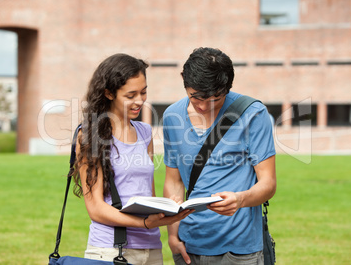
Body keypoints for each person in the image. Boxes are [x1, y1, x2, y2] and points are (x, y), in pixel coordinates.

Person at [72, 53, 192, 265]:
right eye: (130, 95)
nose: (140, 101)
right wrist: (144, 223)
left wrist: (166, 209)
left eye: (143, 92)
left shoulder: (145, 132)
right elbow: (96, 208)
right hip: (111, 250)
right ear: (109, 93)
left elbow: (147, 195)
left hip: (152, 249)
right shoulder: (90, 135)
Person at [163, 47, 277, 265]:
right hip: (189, 246)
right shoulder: (172, 117)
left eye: (215, 98)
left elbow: (268, 183)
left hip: (240, 250)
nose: (204, 106)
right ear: (184, 81)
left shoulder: (253, 113)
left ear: (227, 88)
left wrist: (240, 199)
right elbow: (174, 180)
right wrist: (172, 235)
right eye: (196, 97)